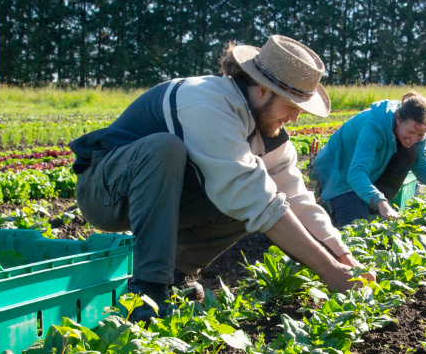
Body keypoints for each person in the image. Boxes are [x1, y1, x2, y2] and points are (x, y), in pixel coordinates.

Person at [69, 35, 367, 321]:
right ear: (263, 90)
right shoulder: (205, 101)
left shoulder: (270, 135)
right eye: (291, 106)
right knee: (169, 151)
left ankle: (175, 273)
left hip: (159, 197)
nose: (294, 118)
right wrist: (327, 272)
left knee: (264, 200)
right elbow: (251, 194)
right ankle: (147, 287)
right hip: (104, 192)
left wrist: (340, 254)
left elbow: (295, 197)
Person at [311, 91, 426, 227]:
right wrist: (380, 201)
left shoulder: (417, 132)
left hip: (367, 171)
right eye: (411, 132)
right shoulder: (374, 126)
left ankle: (373, 204)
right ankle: (330, 201)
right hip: (338, 174)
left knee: (411, 150)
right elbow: (355, 173)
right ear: (398, 119)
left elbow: (423, 170)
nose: (414, 138)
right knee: (356, 230)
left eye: (420, 135)